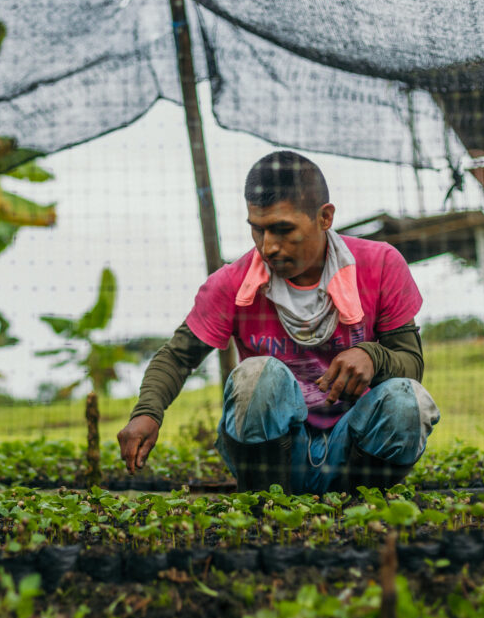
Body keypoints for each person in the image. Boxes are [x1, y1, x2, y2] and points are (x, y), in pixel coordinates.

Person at [116, 151, 439, 494]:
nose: (268, 246)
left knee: (408, 401)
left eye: (284, 230)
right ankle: (268, 507)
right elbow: (177, 357)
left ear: (325, 217)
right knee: (257, 375)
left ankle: (358, 505)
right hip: (275, 459)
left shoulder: (380, 265)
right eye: (258, 230)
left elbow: (410, 364)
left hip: (352, 452)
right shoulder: (233, 283)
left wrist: (374, 356)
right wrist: (147, 412)